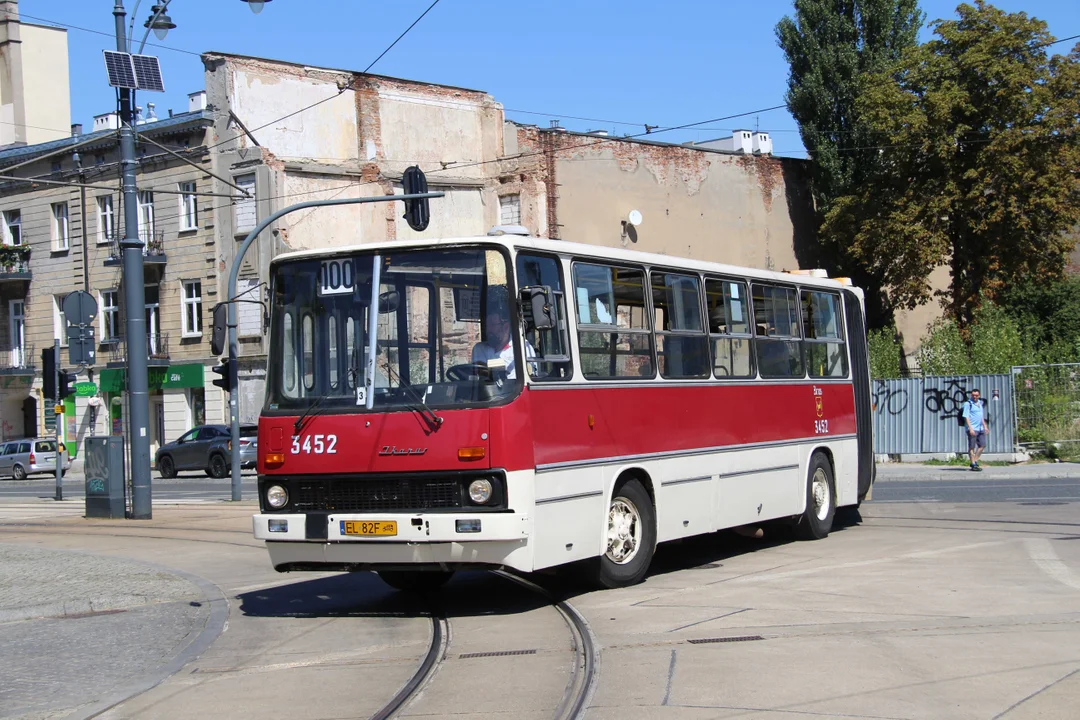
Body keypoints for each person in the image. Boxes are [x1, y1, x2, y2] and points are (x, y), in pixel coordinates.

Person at [471, 301, 536, 380]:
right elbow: (479, 375)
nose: (488, 329)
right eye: (487, 325)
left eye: (492, 325)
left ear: (506, 327)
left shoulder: (522, 347)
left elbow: (526, 379)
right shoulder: (479, 349)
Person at [962, 388, 989, 471]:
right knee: (972, 447)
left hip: (980, 428)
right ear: (971, 395)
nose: (975, 397)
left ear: (979, 395)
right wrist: (970, 429)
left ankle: (975, 460)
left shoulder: (980, 403)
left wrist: (985, 426)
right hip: (972, 429)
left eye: (976, 395)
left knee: (982, 445)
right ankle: (973, 464)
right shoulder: (968, 404)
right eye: (973, 395)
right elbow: (966, 416)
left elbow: (981, 417)